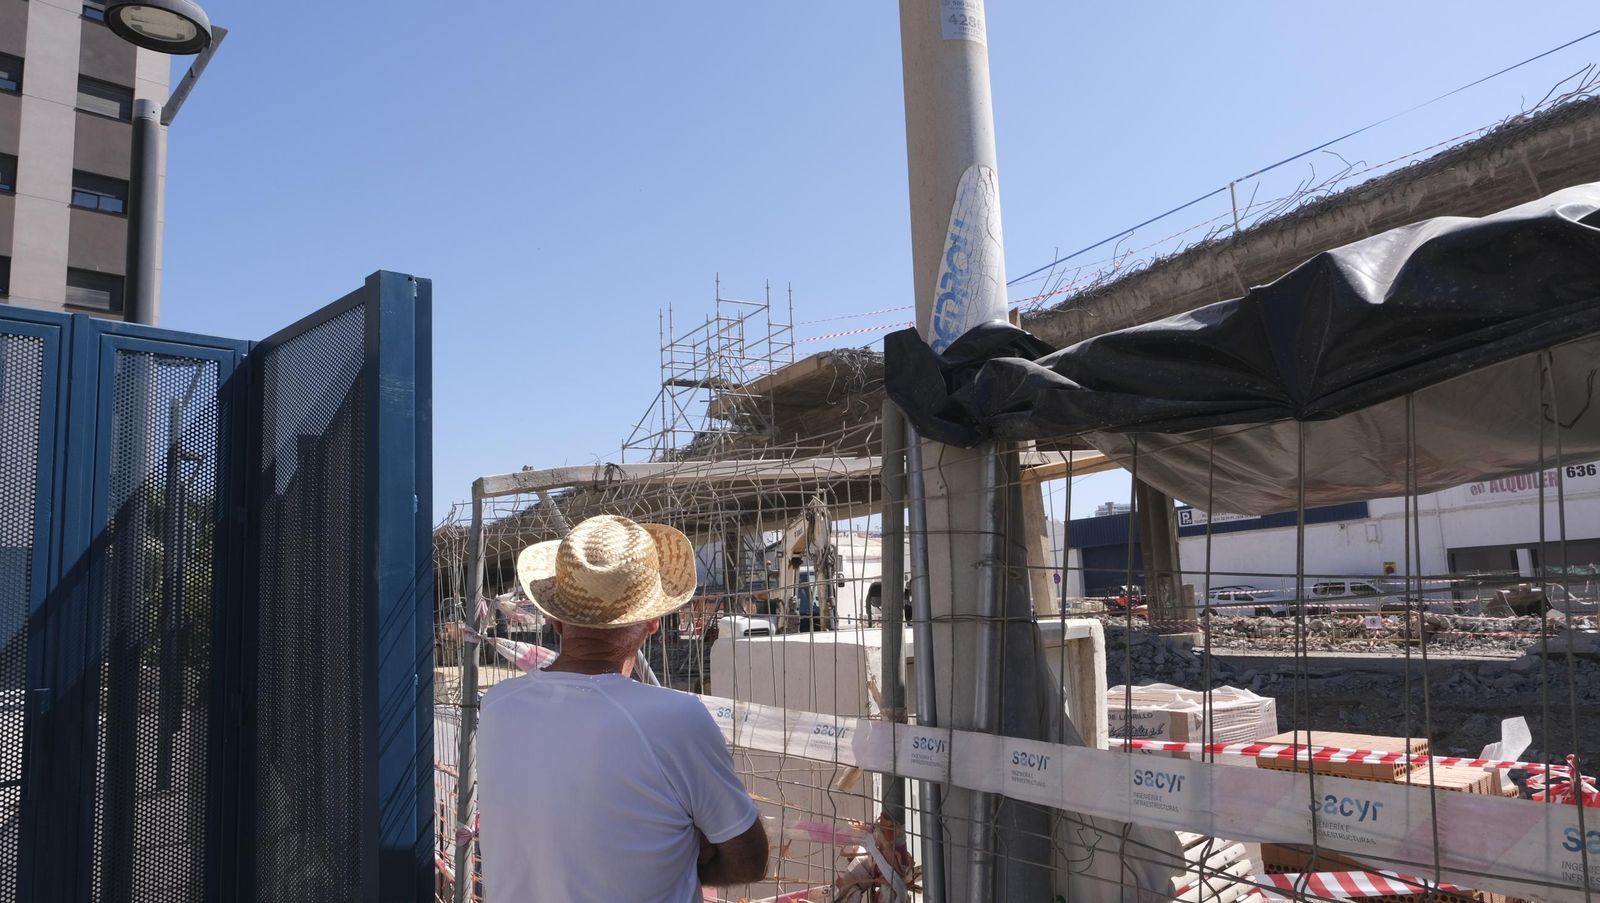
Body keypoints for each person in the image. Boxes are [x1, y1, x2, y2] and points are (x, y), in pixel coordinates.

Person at [478, 515, 769, 902]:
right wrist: (687, 856)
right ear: (651, 621)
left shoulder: (499, 707)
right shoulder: (675, 720)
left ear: (554, 618)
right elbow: (749, 859)